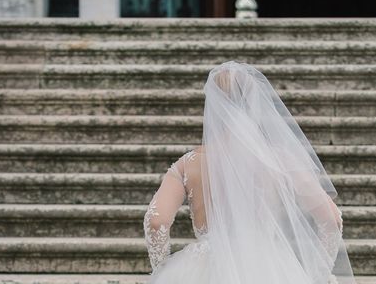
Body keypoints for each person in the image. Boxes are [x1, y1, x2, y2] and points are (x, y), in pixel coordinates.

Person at [143, 60, 356, 283]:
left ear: (214, 104)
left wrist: (162, 271)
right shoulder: (280, 159)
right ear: (254, 102)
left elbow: (156, 221)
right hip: (270, 268)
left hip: (205, 269)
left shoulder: (189, 163)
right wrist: (317, 275)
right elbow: (332, 220)